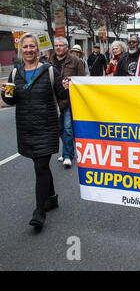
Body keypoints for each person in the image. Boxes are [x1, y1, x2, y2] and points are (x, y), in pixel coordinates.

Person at [1, 33, 70, 229]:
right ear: (20, 51)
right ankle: (52, 197)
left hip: (46, 126)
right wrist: (4, 93)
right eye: (25, 47)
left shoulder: (49, 71)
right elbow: (10, 101)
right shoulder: (15, 74)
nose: (29, 50)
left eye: (32, 46)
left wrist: (67, 88)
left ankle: (39, 211)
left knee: (40, 167)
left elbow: (61, 94)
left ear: (38, 50)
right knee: (41, 166)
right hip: (26, 128)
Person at [48, 37, 85, 169]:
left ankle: (67, 155)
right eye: (56, 45)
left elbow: (82, 82)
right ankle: (68, 150)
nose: (58, 48)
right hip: (54, 101)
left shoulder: (76, 62)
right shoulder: (49, 62)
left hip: (70, 101)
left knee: (68, 128)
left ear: (67, 47)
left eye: (61, 45)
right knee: (60, 129)